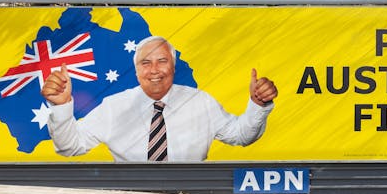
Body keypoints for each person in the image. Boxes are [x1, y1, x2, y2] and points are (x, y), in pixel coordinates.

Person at [41, 36, 278, 162]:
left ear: (174, 66)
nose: (154, 70)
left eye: (162, 61)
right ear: (136, 71)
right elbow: (71, 147)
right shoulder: (114, 107)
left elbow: (241, 136)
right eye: (146, 63)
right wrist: (61, 107)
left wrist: (258, 105)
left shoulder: (200, 102)